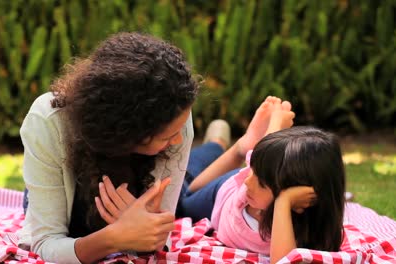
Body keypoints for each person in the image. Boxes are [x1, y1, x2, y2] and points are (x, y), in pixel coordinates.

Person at [18, 32, 199, 264]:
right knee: (191, 180)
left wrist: (147, 230)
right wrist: (115, 237)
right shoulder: (48, 121)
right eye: (167, 137)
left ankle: (219, 145)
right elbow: (46, 243)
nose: (178, 142)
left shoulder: (177, 116)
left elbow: (155, 240)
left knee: (190, 179)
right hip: (60, 187)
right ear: (127, 134)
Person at [187, 125, 346, 263]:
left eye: (262, 184)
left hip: (261, 178)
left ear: (304, 200)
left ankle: (219, 146)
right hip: (223, 194)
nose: (247, 182)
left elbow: (285, 261)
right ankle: (221, 145)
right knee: (183, 199)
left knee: (184, 185)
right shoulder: (251, 185)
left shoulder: (312, 230)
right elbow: (268, 160)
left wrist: (283, 202)